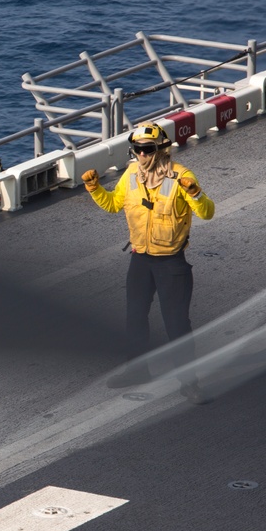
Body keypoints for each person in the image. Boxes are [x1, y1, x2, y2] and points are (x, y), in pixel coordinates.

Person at [81, 121, 215, 403]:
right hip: (140, 259)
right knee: (135, 317)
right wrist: (94, 189)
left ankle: (189, 382)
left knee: (177, 323)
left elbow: (207, 213)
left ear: (161, 149)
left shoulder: (181, 177)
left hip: (170, 263)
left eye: (147, 150)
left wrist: (195, 193)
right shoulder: (131, 174)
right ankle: (138, 370)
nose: (141, 155)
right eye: (137, 150)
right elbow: (113, 204)